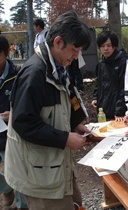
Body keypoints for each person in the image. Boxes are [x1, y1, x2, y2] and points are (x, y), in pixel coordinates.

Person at [4, 11, 92, 210]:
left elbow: (60, 108)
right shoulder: (35, 74)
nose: (76, 56)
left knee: (75, 202)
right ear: (58, 42)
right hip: (38, 176)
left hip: (54, 168)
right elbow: (23, 123)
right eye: (74, 49)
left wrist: (73, 125)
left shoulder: (58, 66)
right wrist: (65, 138)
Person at [0, 36, 28, 210]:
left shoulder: (18, 75)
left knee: (18, 174)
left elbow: (28, 104)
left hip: (12, 134)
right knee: (11, 180)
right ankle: (5, 188)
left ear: (6, 53)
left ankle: (22, 205)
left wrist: (14, 114)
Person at [92, 31, 127, 121]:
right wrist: (95, 98)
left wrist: (119, 111)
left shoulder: (122, 62)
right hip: (102, 112)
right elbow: (98, 83)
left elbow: (124, 88)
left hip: (118, 114)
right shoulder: (101, 64)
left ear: (114, 46)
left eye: (108, 45)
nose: (106, 49)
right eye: (103, 46)